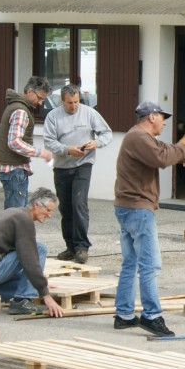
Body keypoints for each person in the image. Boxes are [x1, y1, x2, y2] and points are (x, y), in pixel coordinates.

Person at [112, 100, 185, 337]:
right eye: (163, 117)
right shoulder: (139, 137)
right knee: (149, 265)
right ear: (152, 116)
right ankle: (151, 316)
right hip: (137, 209)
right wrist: (184, 144)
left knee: (131, 262)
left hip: (128, 207)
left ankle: (124, 315)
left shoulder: (142, 138)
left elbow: (167, 152)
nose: (164, 122)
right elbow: (163, 158)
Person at [0, 187, 65, 317]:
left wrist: (40, 285)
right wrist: (45, 294)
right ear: (36, 205)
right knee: (39, 248)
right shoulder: (24, 220)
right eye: (48, 210)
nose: (49, 215)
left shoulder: (17, 213)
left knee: (27, 282)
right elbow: (29, 259)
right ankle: (22, 301)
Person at [43, 84, 113, 264]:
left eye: (76, 102)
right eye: (69, 103)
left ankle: (82, 247)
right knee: (65, 207)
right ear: (62, 101)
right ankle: (70, 247)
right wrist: (67, 150)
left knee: (79, 204)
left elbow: (106, 133)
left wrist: (96, 143)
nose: (73, 106)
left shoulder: (89, 113)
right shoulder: (53, 116)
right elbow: (49, 142)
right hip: (61, 166)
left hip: (84, 164)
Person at [0, 76, 53, 209]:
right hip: (14, 170)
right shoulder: (21, 111)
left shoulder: (15, 106)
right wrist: (41, 152)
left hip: (12, 170)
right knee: (16, 216)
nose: (40, 103)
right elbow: (14, 142)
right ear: (29, 91)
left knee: (14, 215)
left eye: (43, 99)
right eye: (39, 98)